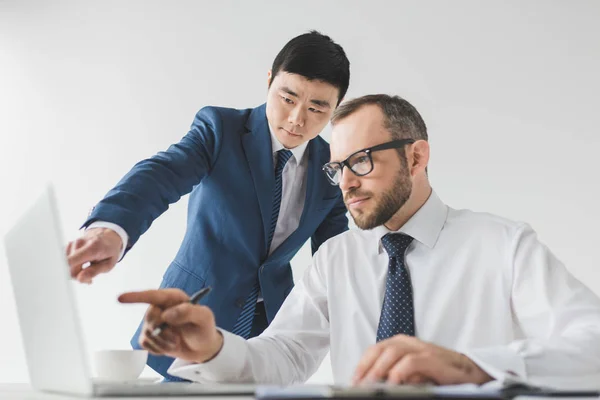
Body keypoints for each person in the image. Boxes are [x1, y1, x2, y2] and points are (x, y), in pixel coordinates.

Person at [119, 94, 600, 388]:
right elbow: (283, 357)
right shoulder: (337, 259)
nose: (345, 182)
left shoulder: (503, 245)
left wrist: (472, 367)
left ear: (416, 157)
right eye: (338, 166)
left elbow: (592, 344)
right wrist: (213, 348)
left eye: (362, 161)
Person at [65, 31, 351, 380]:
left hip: (272, 334)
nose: (296, 119)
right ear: (269, 81)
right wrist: (111, 229)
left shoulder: (332, 167)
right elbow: (161, 174)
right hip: (190, 319)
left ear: (335, 110)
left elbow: (336, 256)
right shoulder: (221, 129)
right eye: (287, 98)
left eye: (317, 108)